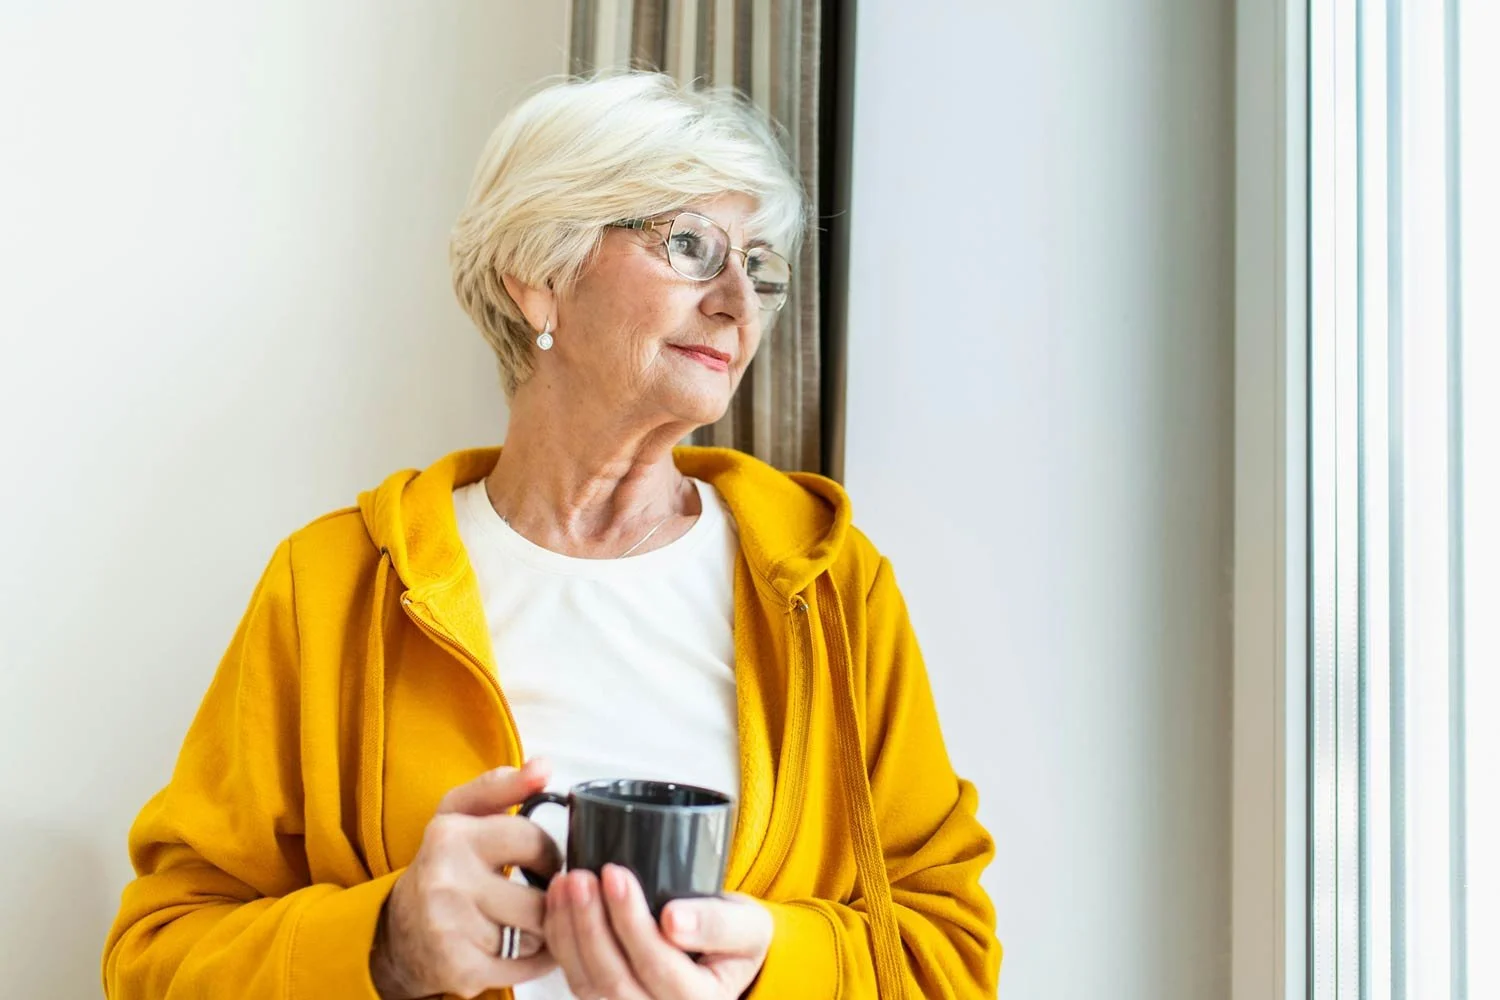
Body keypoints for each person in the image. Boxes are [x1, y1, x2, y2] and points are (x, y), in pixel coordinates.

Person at [102, 71, 1000, 1000]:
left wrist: (768, 965)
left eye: (761, 267)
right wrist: (385, 942)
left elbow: (947, 955)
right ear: (538, 277)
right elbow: (156, 957)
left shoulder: (826, 584)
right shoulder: (332, 585)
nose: (739, 301)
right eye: (691, 245)